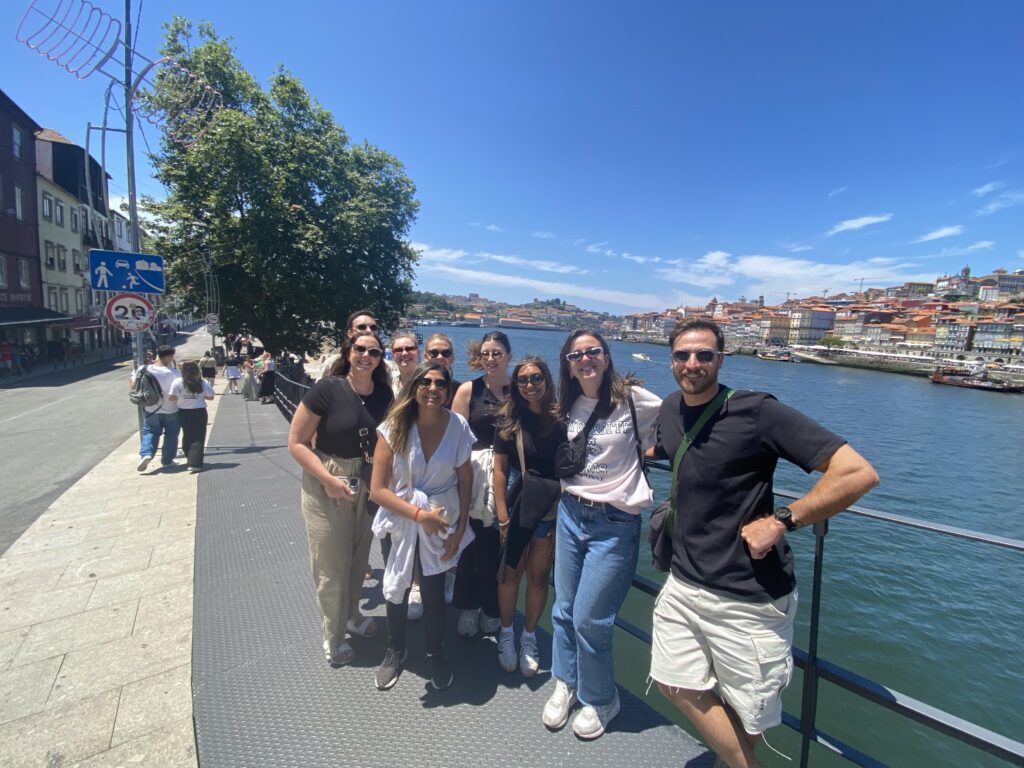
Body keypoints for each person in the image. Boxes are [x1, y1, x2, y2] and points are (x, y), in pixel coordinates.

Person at [650, 318, 879, 768]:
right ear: (671, 358)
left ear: (721, 359)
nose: (692, 364)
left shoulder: (758, 411)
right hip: (684, 582)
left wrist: (783, 520)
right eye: (682, 355)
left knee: (745, 715)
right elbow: (673, 452)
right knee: (672, 682)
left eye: (704, 355)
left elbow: (857, 472)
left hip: (748, 596)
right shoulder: (671, 409)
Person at [544, 328, 661, 739]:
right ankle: (566, 681)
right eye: (576, 356)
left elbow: (676, 431)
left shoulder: (636, 400)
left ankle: (601, 698)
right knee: (563, 608)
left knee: (591, 617)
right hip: (571, 513)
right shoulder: (567, 402)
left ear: (606, 357)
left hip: (614, 522)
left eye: (593, 352)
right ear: (569, 365)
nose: (585, 360)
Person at [287, 331, 394, 667]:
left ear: (380, 358)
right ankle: (332, 636)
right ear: (349, 352)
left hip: (367, 479)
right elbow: (297, 442)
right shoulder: (327, 389)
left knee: (358, 559)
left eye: (374, 351)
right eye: (360, 349)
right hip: (328, 478)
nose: (366, 356)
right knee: (331, 566)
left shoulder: (384, 394)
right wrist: (327, 479)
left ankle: (352, 615)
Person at [369, 362, 475, 691]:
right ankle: (395, 649)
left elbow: (465, 477)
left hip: (441, 519)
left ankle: (435, 653)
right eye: (425, 382)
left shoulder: (457, 426)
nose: (433, 389)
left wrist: (460, 530)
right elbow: (378, 490)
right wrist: (418, 516)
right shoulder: (394, 426)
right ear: (414, 387)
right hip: (402, 517)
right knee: (397, 584)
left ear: (448, 390)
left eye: (440, 384)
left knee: (433, 591)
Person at [492, 356, 565, 677]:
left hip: (550, 510)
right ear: (516, 385)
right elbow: (498, 470)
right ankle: (507, 634)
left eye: (536, 378)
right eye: (523, 380)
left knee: (538, 576)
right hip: (518, 506)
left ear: (546, 380)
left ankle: (529, 637)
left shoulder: (562, 420)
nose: (530, 385)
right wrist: (503, 516)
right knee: (510, 574)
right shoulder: (510, 420)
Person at [450, 331, 511, 637]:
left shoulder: (522, 389)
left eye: (497, 353)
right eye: (486, 353)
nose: (490, 359)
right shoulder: (467, 391)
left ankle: (492, 607)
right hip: (476, 478)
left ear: (508, 356)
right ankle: (470, 607)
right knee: (473, 546)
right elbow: (456, 439)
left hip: (510, 477)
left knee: (499, 550)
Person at [135, 345, 182, 473]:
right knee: (171, 435)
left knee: (150, 432)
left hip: (151, 408)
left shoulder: (143, 369)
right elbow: (180, 391)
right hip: (171, 410)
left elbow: (133, 384)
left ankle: (146, 454)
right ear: (170, 357)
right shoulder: (174, 374)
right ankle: (167, 461)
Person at [169, 360, 215, 473]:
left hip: (183, 412)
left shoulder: (177, 382)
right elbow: (211, 397)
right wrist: (200, 396)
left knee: (187, 434)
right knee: (198, 436)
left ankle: (189, 455)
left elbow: (171, 397)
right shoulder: (202, 382)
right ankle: (195, 463)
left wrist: (182, 397)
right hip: (199, 411)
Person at [423, 333, 461, 407]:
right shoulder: (415, 386)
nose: (440, 357)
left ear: (452, 358)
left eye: (446, 353)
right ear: (425, 357)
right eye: (434, 353)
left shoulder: (460, 390)